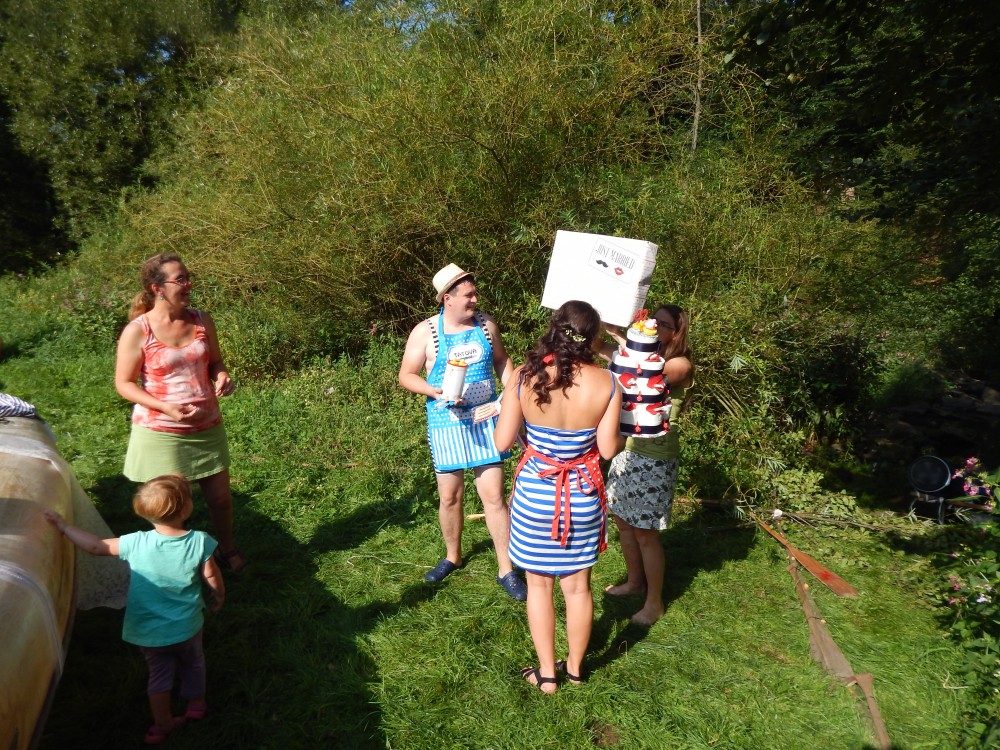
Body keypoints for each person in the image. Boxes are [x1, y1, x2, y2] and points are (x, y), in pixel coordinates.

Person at [494, 300, 623, 692]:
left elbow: (502, 442)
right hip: (582, 493)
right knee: (578, 588)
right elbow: (607, 450)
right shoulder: (608, 382)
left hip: (535, 495)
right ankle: (577, 670)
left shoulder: (525, 377)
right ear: (593, 338)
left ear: (553, 329)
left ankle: (548, 674)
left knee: (539, 587)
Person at [44, 474, 224, 745]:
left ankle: (162, 724)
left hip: (148, 632)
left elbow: (96, 546)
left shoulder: (136, 543)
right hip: (187, 626)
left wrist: (63, 527)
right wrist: (219, 595)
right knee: (194, 662)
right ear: (186, 509)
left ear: (144, 512)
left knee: (159, 676)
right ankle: (196, 704)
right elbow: (211, 575)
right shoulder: (200, 541)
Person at [398, 263, 526, 600]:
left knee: (494, 497)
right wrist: (434, 391)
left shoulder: (486, 326)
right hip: (446, 423)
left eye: (474, 294)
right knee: (450, 496)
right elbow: (406, 375)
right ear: (448, 299)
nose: (475, 300)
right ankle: (452, 556)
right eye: (468, 295)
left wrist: (507, 397)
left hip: (486, 421)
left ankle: (506, 569)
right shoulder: (426, 332)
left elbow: (502, 360)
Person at [115, 253, 246, 572]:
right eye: (180, 279)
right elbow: (124, 383)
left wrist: (221, 375)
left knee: (221, 500)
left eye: (189, 277)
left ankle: (226, 550)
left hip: (207, 426)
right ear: (157, 288)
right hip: (162, 431)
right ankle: (177, 567)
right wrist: (164, 407)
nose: (188, 284)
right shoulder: (138, 330)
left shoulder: (201, 320)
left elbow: (215, 361)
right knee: (172, 509)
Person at [603, 304, 693, 625]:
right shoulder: (634, 355)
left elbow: (648, 372)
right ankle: (635, 582)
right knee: (624, 522)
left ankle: (654, 603)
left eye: (664, 324)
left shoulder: (680, 364)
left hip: (655, 457)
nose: (655, 326)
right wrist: (600, 324)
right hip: (625, 448)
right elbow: (604, 351)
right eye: (653, 320)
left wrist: (620, 339)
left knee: (645, 532)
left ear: (677, 333)